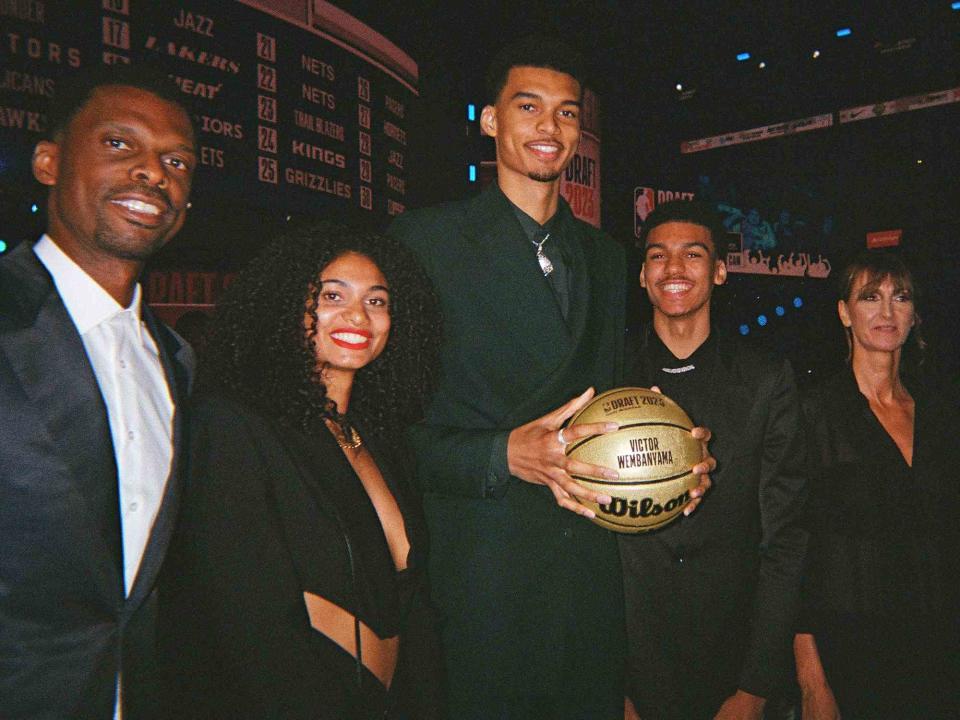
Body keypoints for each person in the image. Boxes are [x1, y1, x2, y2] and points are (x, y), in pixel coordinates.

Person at [389, 37, 712, 719]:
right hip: (482, 579)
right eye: (528, 106)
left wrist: (674, 460)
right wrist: (503, 453)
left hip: (588, 580)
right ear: (489, 119)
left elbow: (615, 405)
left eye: (567, 114)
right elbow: (385, 428)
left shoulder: (604, 257)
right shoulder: (423, 244)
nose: (549, 128)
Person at [160, 223, 444, 719]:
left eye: (377, 301)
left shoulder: (379, 438)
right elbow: (248, 626)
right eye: (333, 295)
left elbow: (413, 605)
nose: (357, 314)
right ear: (287, 304)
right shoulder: (232, 425)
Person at [0, 65, 196, 718]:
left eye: (176, 161)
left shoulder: (179, 362)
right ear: (49, 162)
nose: (152, 173)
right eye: (120, 144)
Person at [621, 200, 807, 720]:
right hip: (629, 669)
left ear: (721, 271)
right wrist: (606, 680)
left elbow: (784, 538)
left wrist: (756, 685)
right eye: (658, 256)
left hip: (732, 665)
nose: (673, 269)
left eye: (692, 254)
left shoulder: (767, 380)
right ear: (642, 275)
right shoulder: (607, 374)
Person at [792, 251, 960, 719]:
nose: (887, 312)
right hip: (852, 656)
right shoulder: (813, 413)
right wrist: (812, 684)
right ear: (845, 312)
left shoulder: (941, 412)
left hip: (941, 651)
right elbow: (793, 554)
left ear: (914, 314)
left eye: (899, 297)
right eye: (870, 297)